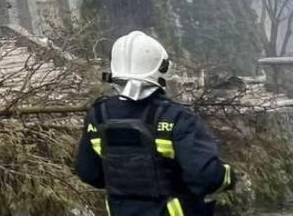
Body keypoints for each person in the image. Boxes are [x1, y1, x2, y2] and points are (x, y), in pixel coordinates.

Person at [74, 30, 238, 216]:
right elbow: (206, 177)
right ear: (161, 68)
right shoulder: (176, 118)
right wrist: (229, 176)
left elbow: (88, 172)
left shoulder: (98, 115)